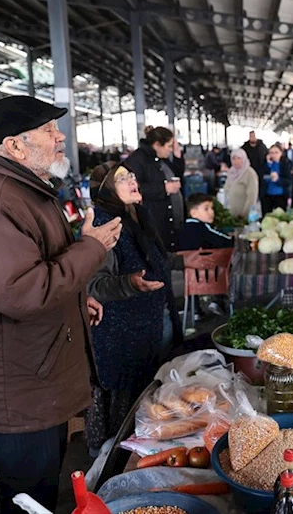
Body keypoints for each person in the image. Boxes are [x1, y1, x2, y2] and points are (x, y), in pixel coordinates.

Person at [0, 96, 122, 514]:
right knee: (27, 495)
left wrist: (77, 304)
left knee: (38, 484)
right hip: (19, 385)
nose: (60, 135)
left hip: (32, 371)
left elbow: (37, 267)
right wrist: (91, 248)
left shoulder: (24, 189)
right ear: (15, 146)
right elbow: (22, 292)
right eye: (48, 129)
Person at [85, 161, 182, 456]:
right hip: (120, 334)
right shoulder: (104, 223)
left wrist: (182, 261)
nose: (132, 179)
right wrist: (130, 284)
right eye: (122, 178)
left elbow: (154, 259)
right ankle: (115, 464)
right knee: (124, 411)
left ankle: (141, 450)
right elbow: (94, 285)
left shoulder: (136, 214)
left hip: (147, 325)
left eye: (131, 174)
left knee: (147, 394)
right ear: (106, 191)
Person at [124, 127, 183, 251]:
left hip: (168, 221)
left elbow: (176, 173)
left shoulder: (160, 158)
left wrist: (178, 156)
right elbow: (131, 188)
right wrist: (163, 188)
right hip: (153, 221)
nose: (171, 150)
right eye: (169, 146)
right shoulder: (137, 160)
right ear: (157, 144)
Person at [224, 148, 259, 218]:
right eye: (233, 158)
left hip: (243, 216)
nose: (236, 161)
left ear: (244, 159)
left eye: (239, 158)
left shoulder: (250, 173)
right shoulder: (231, 172)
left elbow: (252, 196)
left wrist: (244, 214)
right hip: (231, 214)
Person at [261, 143, 292, 214]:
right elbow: (261, 176)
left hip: (280, 196)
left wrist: (278, 180)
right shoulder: (265, 164)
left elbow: (289, 181)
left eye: (276, 152)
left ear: (281, 153)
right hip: (267, 196)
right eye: (271, 153)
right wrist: (268, 164)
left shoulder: (286, 164)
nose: (274, 155)